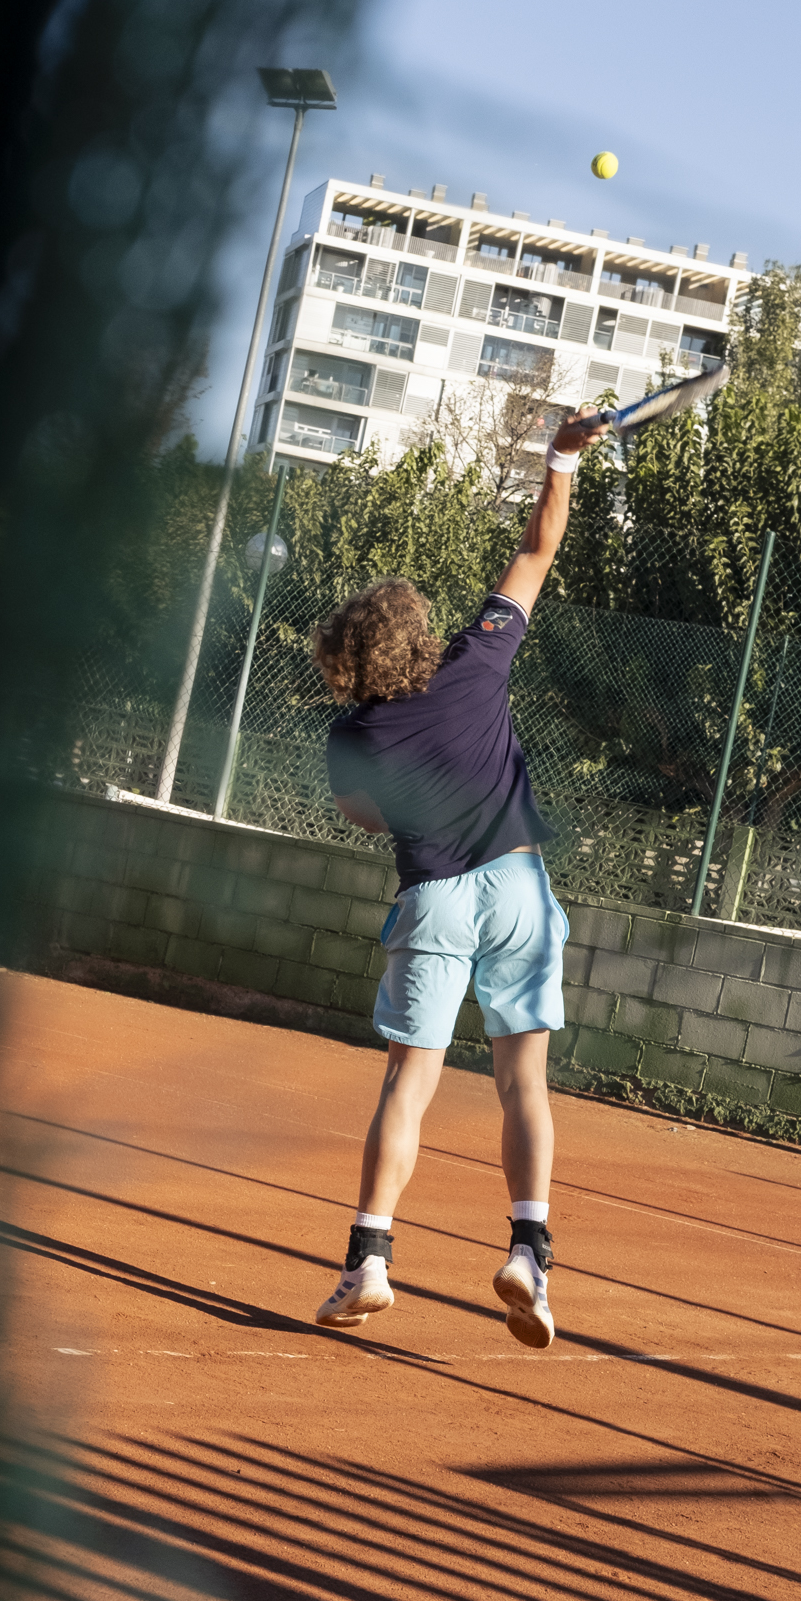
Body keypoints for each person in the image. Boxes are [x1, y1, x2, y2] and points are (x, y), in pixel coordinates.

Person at [310, 409, 605, 1347]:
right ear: (419, 634)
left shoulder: (351, 734)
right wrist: (559, 457)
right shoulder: (479, 660)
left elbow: (364, 816)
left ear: (353, 659)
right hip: (520, 890)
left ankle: (370, 1261)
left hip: (433, 895)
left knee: (410, 1082)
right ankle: (529, 1251)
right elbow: (539, 544)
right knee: (525, 1084)